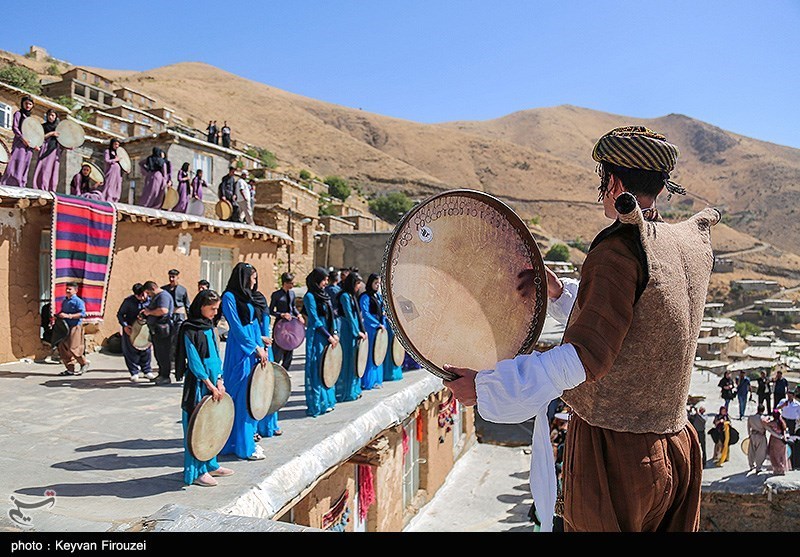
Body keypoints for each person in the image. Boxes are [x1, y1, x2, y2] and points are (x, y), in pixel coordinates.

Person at [443, 126, 718, 532]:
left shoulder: (619, 248)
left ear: (615, 182)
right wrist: (558, 292)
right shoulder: (679, 244)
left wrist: (486, 387)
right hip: (677, 445)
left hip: (618, 459)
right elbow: (639, 320)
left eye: (602, 176)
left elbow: (582, 357)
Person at [175, 289, 235, 486]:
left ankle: (211, 463)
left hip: (214, 382)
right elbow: (193, 360)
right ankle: (196, 472)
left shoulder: (210, 327)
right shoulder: (189, 328)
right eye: (212, 309)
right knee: (196, 427)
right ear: (201, 306)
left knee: (212, 424)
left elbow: (216, 356)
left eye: (217, 309)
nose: (215, 313)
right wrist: (208, 383)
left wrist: (219, 380)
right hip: (198, 384)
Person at [219, 262, 269, 461]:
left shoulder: (248, 297)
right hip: (240, 350)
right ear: (244, 277)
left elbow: (254, 323)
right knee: (240, 395)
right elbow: (237, 327)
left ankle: (247, 441)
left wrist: (261, 344)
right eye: (253, 277)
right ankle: (242, 446)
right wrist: (253, 347)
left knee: (251, 396)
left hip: (253, 346)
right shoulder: (229, 297)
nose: (255, 281)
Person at [303, 267, 338, 417]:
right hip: (317, 335)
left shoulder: (324, 295)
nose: (325, 283)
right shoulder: (310, 296)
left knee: (327, 367)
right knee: (317, 367)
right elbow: (314, 319)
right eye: (323, 280)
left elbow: (331, 316)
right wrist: (327, 335)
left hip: (328, 334)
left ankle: (328, 401)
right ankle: (317, 404)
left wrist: (334, 332)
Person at [335, 271, 366, 402]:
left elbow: (357, 315)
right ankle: (346, 391)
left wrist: (362, 330)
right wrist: (356, 331)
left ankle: (354, 389)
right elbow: (348, 314)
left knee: (355, 361)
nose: (359, 286)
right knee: (348, 361)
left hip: (353, 327)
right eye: (357, 283)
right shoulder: (344, 296)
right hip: (347, 329)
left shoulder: (352, 296)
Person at [116, 282, 156, 383]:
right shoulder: (128, 302)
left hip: (145, 329)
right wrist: (125, 326)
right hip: (131, 329)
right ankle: (134, 372)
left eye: (143, 295)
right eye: (139, 296)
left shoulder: (151, 301)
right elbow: (120, 315)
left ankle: (147, 370)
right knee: (130, 351)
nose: (142, 298)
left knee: (146, 350)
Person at [141, 280, 174, 385]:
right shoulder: (157, 296)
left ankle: (165, 376)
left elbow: (163, 310)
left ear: (153, 288)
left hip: (163, 329)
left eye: (149, 293)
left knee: (163, 354)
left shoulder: (163, 296)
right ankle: (161, 374)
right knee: (159, 354)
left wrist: (149, 312)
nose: (149, 295)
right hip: (156, 329)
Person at [0, 96, 38, 187]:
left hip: (29, 145)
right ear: (22, 104)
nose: (28, 106)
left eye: (30, 104)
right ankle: (7, 184)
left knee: (25, 164)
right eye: (26, 103)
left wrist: (35, 144)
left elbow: (34, 133)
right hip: (20, 143)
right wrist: (22, 138)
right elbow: (15, 127)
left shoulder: (31, 119)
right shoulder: (19, 114)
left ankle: (21, 185)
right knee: (16, 162)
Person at [359, 273, 388, 391]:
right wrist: (377, 324)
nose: (377, 285)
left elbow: (383, 309)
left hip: (380, 327)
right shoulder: (365, 297)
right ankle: (368, 381)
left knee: (378, 354)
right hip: (371, 328)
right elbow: (365, 313)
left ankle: (377, 380)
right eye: (375, 283)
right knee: (371, 353)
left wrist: (383, 321)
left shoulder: (379, 296)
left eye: (379, 283)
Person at [270, 272, 304, 370]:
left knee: (290, 348)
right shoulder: (276, 295)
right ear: (285, 283)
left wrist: (298, 315)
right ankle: (275, 368)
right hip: (280, 325)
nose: (293, 285)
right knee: (278, 349)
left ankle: (286, 369)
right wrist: (281, 314)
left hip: (291, 325)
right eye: (291, 283)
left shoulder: (292, 294)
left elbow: (293, 307)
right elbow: (271, 310)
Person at [55, 282, 89, 376]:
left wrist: (69, 316)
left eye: (70, 289)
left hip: (75, 326)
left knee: (73, 347)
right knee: (62, 346)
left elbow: (82, 314)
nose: (67, 291)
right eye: (66, 289)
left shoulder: (78, 301)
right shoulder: (65, 301)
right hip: (64, 327)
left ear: (75, 290)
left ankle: (84, 363)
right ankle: (70, 369)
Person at [163, 269, 191, 380]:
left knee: (177, 338)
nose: (171, 279)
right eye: (170, 276)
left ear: (178, 277)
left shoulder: (183, 290)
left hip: (179, 316)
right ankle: (169, 362)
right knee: (168, 338)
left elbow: (186, 304)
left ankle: (176, 362)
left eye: (174, 277)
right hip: (168, 316)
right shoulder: (164, 289)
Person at [31, 109, 62, 192]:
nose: (50, 117)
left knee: (53, 170)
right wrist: (51, 134)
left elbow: (63, 140)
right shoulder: (43, 126)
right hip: (46, 147)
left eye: (52, 115)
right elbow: (40, 137)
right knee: (44, 168)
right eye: (49, 115)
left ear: (56, 117)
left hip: (55, 149)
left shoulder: (59, 128)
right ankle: (41, 187)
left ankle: (51, 189)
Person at [765, 410, 790, 475]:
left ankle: (778, 469)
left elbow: (764, 423)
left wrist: (767, 419)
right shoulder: (782, 422)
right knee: (782, 455)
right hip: (782, 441)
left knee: (775, 455)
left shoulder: (773, 423)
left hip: (775, 440)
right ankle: (782, 469)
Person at [747, 403, 768, 473]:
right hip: (761, 436)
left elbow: (748, 427)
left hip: (753, 435)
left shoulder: (751, 417)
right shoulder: (763, 418)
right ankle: (758, 467)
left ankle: (751, 465)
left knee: (751, 451)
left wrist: (749, 435)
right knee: (760, 452)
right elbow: (767, 428)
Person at [102, 138, 124, 203]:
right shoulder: (108, 151)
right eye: (115, 144)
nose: (117, 146)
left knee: (117, 185)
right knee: (110, 184)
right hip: (111, 171)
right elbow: (107, 160)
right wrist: (115, 160)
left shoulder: (118, 153)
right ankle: (108, 197)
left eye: (118, 145)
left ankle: (115, 198)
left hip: (118, 172)